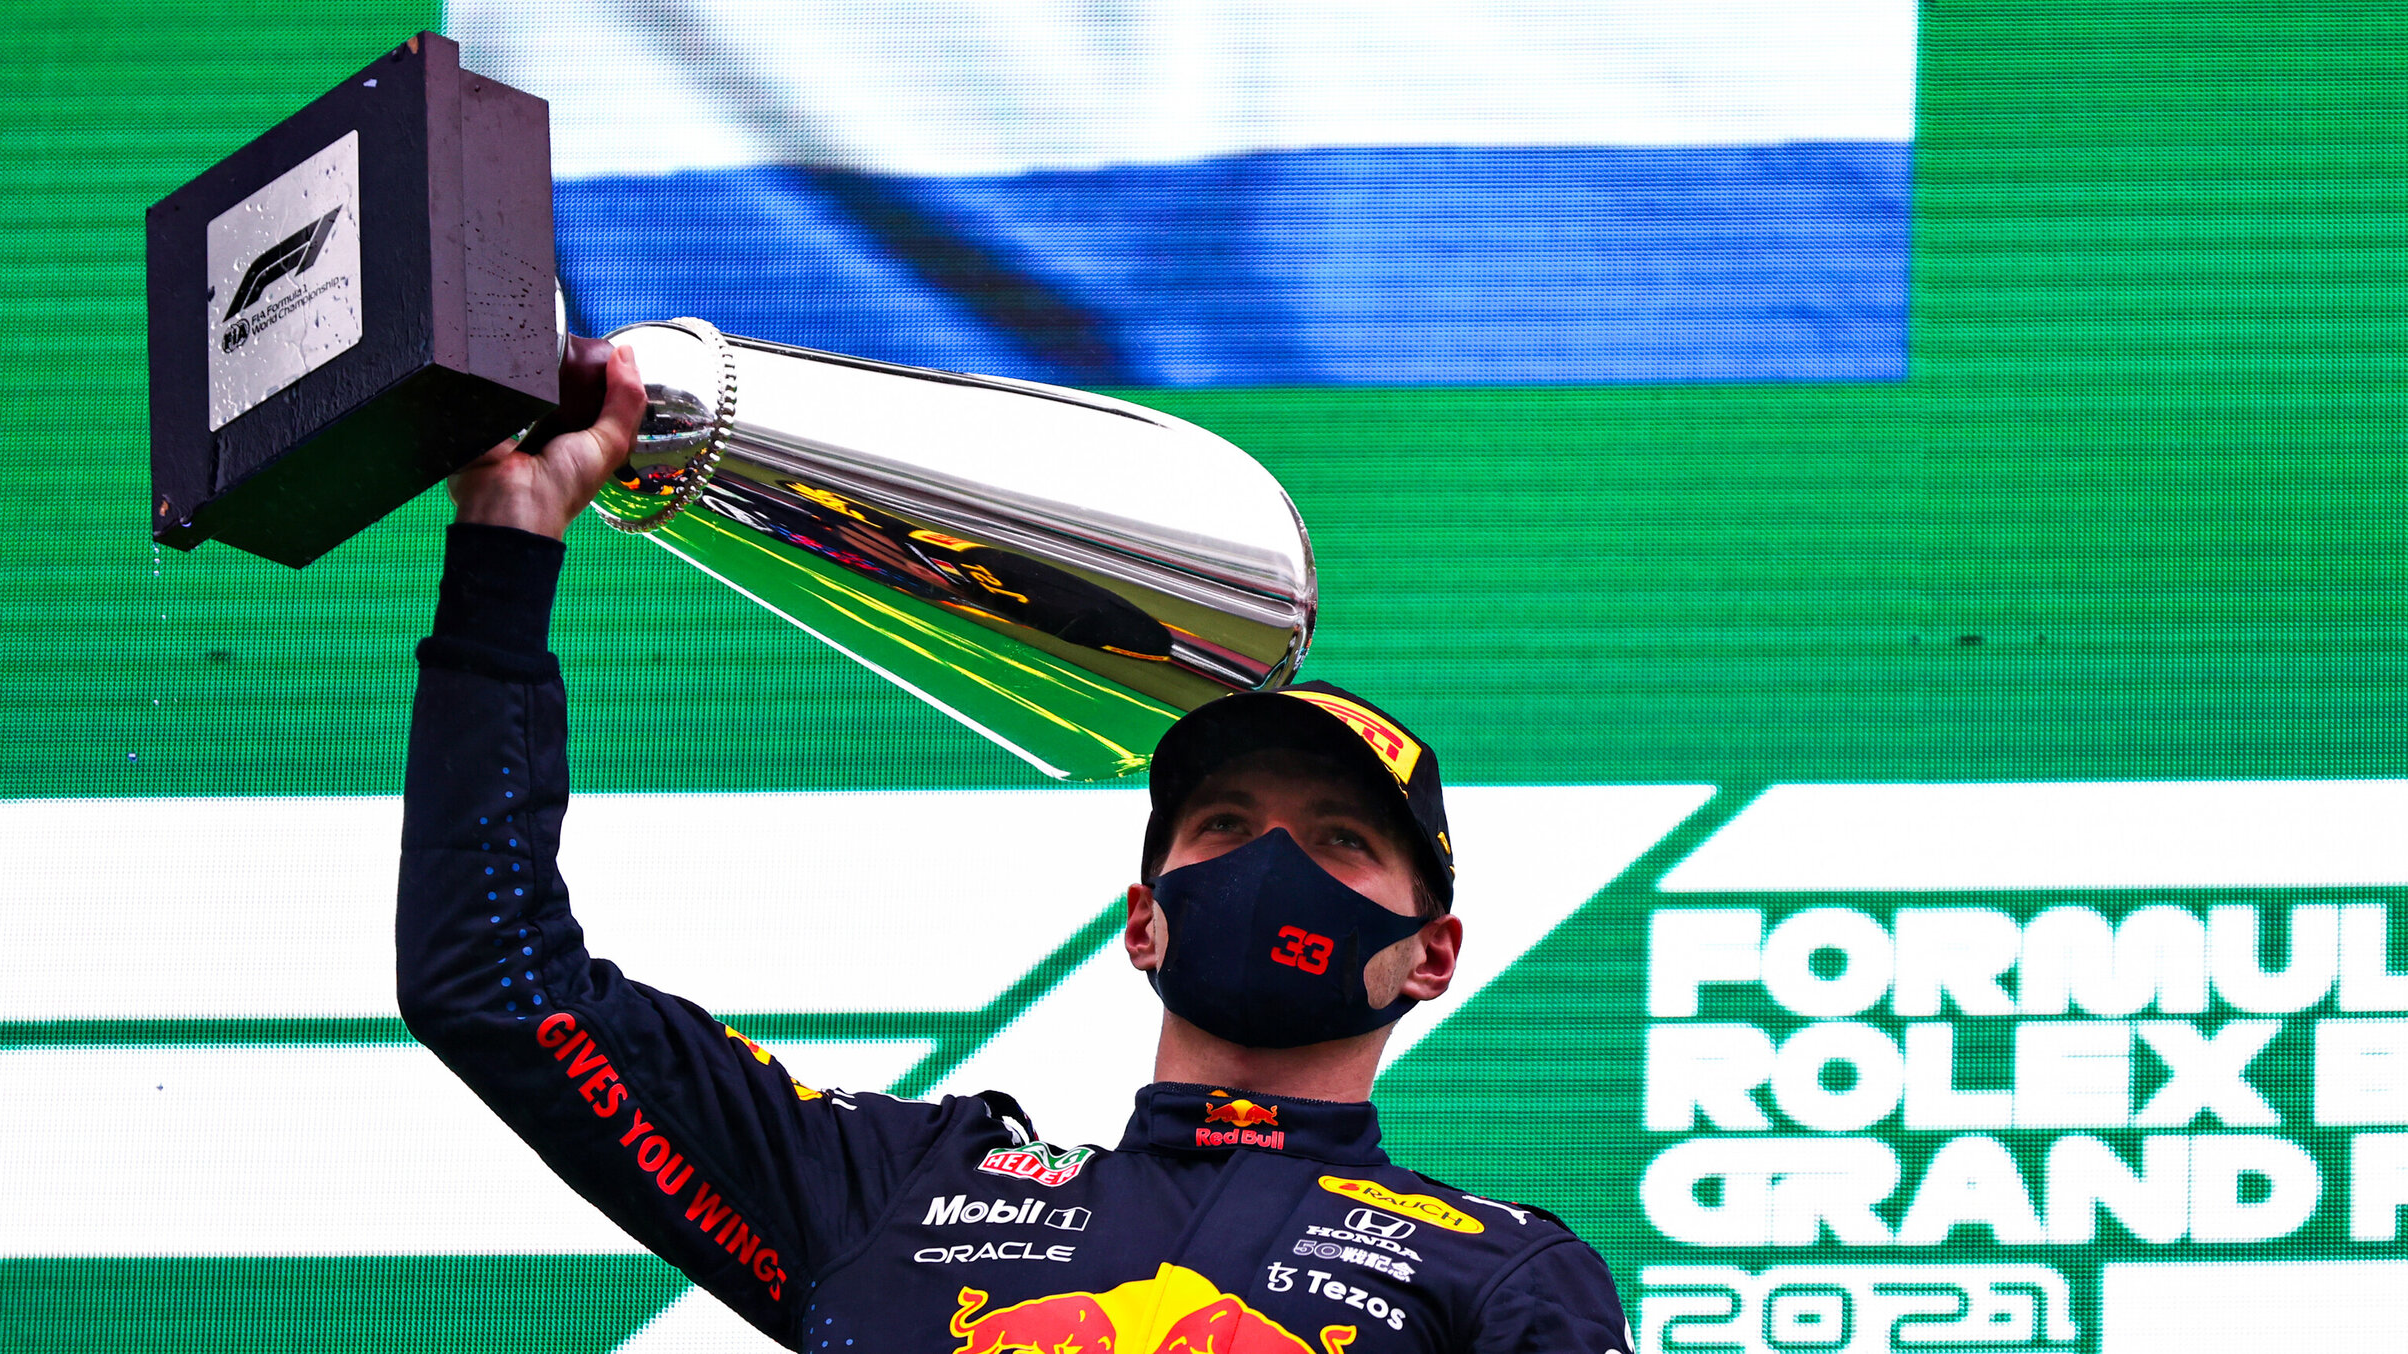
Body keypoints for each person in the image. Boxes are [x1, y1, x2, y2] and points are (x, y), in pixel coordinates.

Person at [398, 345, 1632, 1353]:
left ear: (1433, 954)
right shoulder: (901, 1187)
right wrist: (510, 540)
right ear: (1141, 919)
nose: (1272, 863)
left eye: (1340, 840)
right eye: (1222, 826)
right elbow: (501, 988)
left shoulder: (1499, 1273)